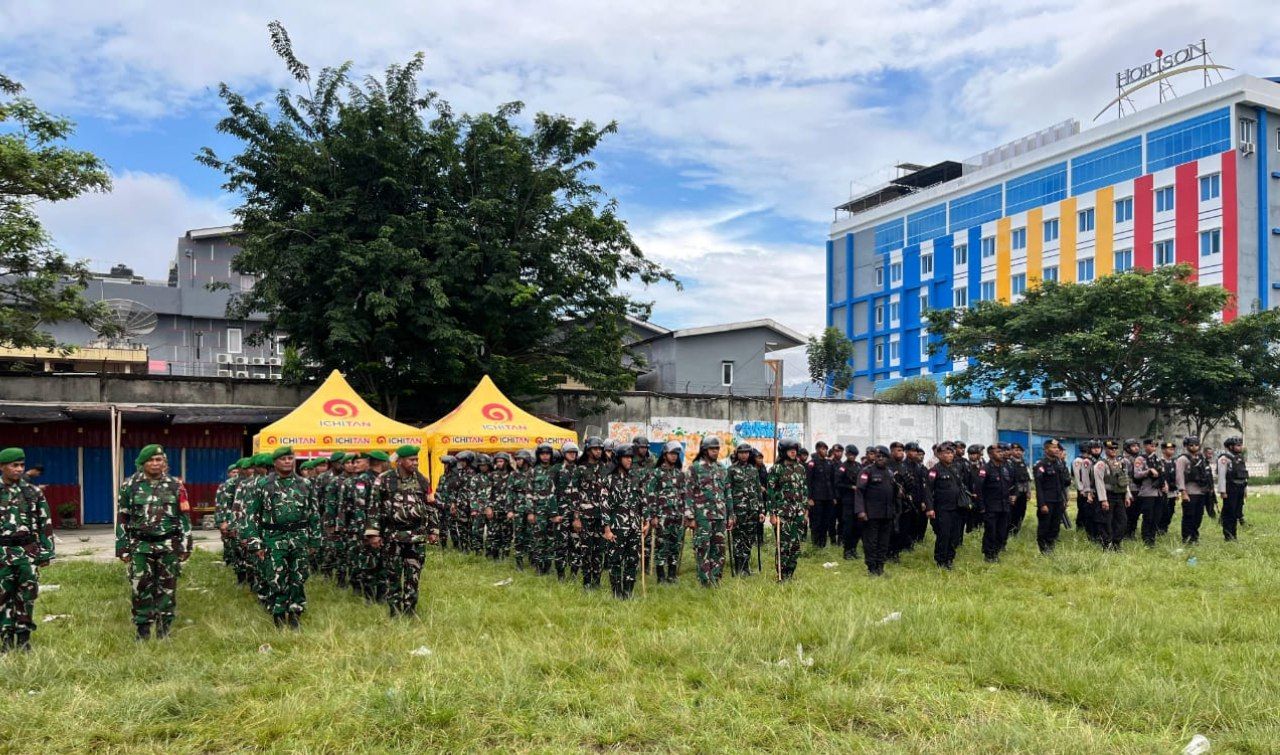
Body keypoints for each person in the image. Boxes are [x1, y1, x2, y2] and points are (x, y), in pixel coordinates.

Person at [115, 444, 192, 640]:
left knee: (167, 588)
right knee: (140, 588)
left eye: (159, 460)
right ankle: (142, 631)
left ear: (164, 462)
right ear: (143, 463)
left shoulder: (176, 485)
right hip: (140, 546)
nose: (156, 463)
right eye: (151, 460)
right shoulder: (129, 485)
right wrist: (122, 546)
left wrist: (186, 545)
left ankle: (164, 630)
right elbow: (123, 517)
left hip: (168, 545)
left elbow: (184, 517)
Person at [242, 446, 316, 629]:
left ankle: (295, 613)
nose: (287, 462)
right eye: (283, 459)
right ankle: (279, 614)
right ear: (275, 462)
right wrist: (255, 543)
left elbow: (313, 514)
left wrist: (315, 540)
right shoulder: (263, 485)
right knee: (276, 577)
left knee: (298, 577)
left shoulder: (305, 484)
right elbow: (252, 516)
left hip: (299, 538)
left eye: (290, 458)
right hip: (273, 538)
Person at [368, 445, 438, 618]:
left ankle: (410, 610)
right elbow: (374, 507)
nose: (415, 463)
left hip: (416, 537)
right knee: (393, 575)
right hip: (393, 536)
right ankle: (394, 609)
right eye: (411, 460)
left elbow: (430, 505)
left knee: (413, 575)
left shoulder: (422, 479)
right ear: (400, 461)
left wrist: (433, 530)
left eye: (416, 459)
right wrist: (374, 533)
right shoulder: (384, 479)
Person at [0, 448, 54, 652]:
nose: (19, 469)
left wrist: (46, 552)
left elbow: (45, 522)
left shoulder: (33, 492)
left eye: (21, 465)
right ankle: (6, 639)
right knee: (2, 596)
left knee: (27, 595)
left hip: (27, 552)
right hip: (2, 552)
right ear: (2, 467)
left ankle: (23, 638)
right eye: (14, 465)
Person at [685, 437, 734, 587]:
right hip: (702, 517)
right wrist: (690, 517)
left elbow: (727, 493)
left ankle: (716, 578)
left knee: (719, 549)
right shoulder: (695, 468)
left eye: (717, 449)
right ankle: (705, 581)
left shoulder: (722, 468)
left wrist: (730, 515)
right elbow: (688, 493)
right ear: (705, 450)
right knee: (703, 548)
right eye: (712, 449)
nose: (715, 451)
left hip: (720, 515)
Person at [602, 445, 649, 599]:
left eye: (631, 457)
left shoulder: (636, 479)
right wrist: (607, 529)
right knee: (615, 561)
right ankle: (617, 593)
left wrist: (646, 521)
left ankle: (628, 592)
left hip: (634, 527)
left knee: (632, 561)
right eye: (626, 457)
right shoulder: (609, 480)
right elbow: (604, 505)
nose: (629, 460)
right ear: (618, 459)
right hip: (617, 527)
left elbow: (643, 501)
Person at [766, 439, 808, 580]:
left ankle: (790, 573)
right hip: (782, 513)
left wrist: (805, 511)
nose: (793, 452)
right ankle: (782, 574)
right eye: (790, 450)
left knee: (796, 545)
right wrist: (772, 514)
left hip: (798, 512)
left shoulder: (801, 468)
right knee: (783, 545)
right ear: (783, 452)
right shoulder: (776, 469)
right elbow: (770, 493)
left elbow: (804, 490)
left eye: (795, 450)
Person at [647, 442, 688, 584]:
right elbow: (651, 495)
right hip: (662, 516)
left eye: (676, 454)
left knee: (675, 545)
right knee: (661, 545)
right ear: (665, 455)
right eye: (671, 454)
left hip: (677, 516)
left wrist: (685, 514)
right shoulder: (656, 473)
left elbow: (684, 495)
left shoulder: (680, 474)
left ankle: (672, 575)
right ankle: (661, 576)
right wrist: (653, 516)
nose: (674, 456)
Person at [574, 438, 610, 590]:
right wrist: (576, 518)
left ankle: (597, 581)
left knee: (599, 550)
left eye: (600, 449)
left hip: (601, 517)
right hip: (585, 516)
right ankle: (587, 582)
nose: (598, 451)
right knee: (586, 550)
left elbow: (609, 493)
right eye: (595, 449)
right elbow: (574, 494)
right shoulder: (580, 469)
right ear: (588, 451)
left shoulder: (605, 468)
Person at [924, 442, 967, 569]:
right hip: (942, 509)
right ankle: (941, 561)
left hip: (956, 508)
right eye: (946, 453)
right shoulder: (934, 471)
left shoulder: (955, 469)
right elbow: (928, 490)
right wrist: (930, 508)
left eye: (951, 453)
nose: (949, 455)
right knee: (944, 535)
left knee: (954, 536)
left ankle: (950, 559)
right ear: (939, 455)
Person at [855, 447, 897, 576]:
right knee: (871, 542)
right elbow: (859, 492)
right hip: (871, 514)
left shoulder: (890, 473)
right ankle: (872, 568)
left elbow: (893, 493)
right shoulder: (867, 471)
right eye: (878, 456)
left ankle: (880, 567)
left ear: (888, 458)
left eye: (883, 456)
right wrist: (860, 511)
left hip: (887, 514)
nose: (880, 458)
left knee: (883, 543)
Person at [726, 443, 764, 576]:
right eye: (741, 453)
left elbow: (758, 491)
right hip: (738, 511)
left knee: (749, 538)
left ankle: (746, 567)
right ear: (737, 454)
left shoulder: (754, 470)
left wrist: (761, 510)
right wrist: (730, 513)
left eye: (746, 453)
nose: (744, 455)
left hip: (752, 510)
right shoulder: (731, 470)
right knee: (738, 539)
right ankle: (738, 568)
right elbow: (728, 492)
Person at [530, 443, 567, 577]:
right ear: (538, 455)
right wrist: (530, 512)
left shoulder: (556, 470)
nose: (545, 456)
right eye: (542, 454)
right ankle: (539, 566)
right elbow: (529, 492)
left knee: (551, 540)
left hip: (554, 511)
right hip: (538, 510)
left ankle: (548, 565)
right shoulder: (533, 471)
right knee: (539, 540)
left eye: (547, 454)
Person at [1092, 440, 1132, 551]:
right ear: (1105, 449)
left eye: (1115, 448)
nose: (1113, 450)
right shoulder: (1101, 464)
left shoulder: (1121, 463)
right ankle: (1106, 544)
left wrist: (1127, 495)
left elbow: (1124, 480)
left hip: (1119, 495)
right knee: (1106, 521)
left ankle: (1116, 543)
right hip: (1107, 495)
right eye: (1111, 448)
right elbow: (1099, 483)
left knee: (1122, 521)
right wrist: (1103, 500)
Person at [978, 443, 1015, 562]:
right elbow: (979, 489)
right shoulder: (985, 469)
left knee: (1002, 532)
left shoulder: (1005, 468)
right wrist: (982, 506)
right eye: (998, 452)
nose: (1001, 453)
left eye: (1002, 451)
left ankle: (996, 552)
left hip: (1004, 506)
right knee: (991, 531)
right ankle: (989, 555)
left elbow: (1012, 484)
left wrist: (1013, 495)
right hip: (991, 507)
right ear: (990, 455)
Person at [1032, 440, 1069, 554]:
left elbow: (1062, 484)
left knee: (1055, 526)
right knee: (1045, 525)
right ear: (1046, 450)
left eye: (1057, 447)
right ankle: (1043, 548)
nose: (1056, 449)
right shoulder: (1040, 465)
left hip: (1058, 500)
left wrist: (1064, 499)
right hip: (1047, 500)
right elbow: (1039, 487)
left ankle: (1050, 546)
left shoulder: (1059, 464)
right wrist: (1042, 504)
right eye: (1053, 447)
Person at [1175, 437, 1211, 544]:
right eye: (1191, 445)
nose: (1194, 447)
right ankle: (1187, 538)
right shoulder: (1183, 459)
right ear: (1186, 446)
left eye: (1196, 445)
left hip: (1201, 491)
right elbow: (1179, 476)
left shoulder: (1201, 458)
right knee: (1189, 516)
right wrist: (1183, 492)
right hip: (1189, 492)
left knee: (1198, 516)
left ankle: (1195, 537)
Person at [215, 459, 247, 576]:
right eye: (233, 472)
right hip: (231, 519)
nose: (235, 474)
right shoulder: (226, 485)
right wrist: (221, 521)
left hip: (243, 519)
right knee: (230, 544)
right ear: (228, 473)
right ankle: (232, 564)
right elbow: (221, 505)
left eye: (236, 472)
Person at [555, 443, 582, 578]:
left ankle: (574, 574)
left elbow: (584, 494)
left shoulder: (580, 471)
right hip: (561, 515)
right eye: (570, 452)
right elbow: (550, 493)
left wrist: (578, 516)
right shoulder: (556, 470)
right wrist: (554, 514)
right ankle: (561, 575)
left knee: (577, 545)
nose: (573, 454)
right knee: (561, 545)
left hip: (576, 515)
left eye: (574, 452)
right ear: (564, 454)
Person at [1132, 439, 1165, 547]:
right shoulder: (1140, 459)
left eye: (1155, 446)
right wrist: (1148, 471)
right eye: (1151, 446)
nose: (1154, 448)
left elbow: (1162, 473)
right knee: (1148, 517)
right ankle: (1146, 539)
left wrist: (1165, 484)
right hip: (1147, 492)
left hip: (1159, 492)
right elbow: (1136, 474)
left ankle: (1152, 538)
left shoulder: (1157, 459)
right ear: (1145, 446)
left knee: (1157, 517)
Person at [1217, 437, 1249, 541]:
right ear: (1231, 447)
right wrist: (1222, 491)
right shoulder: (1224, 459)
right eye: (1238, 445)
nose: (1241, 447)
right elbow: (1221, 476)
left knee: (1236, 513)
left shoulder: (1239, 458)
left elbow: (1243, 475)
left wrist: (1245, 490)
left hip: (1240, 488)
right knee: (1229, 513)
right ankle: (1228, 536)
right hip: (1230, 489)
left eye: (1241, 445)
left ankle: (1233, 535)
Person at [805, 441, 836, 549]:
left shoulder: (829, 463)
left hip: (828, 497)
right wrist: (809, 498)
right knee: (816, 522)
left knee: (825, 522)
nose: (825, 451)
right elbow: (808, 482)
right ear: (817, 450)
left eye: (826, 449)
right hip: (816, 498)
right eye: (823, 449)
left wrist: (833, 497)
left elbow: (832, 481)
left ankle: (822, 544)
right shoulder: (812, 463)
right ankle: (816, 544)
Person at [486, 452, 516, 560]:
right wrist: (488, 507)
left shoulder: (513, 475)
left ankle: (505, 556)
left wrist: (512, 509)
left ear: (506, 462)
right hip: (495, 509)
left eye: (501, 461)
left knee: (507, 533)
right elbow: (488, 492)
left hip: (508, 509)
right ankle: (495, 556)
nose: (499, 463)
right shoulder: (492, 475)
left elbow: (515, 492)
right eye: (497, 461)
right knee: (494, 532)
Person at [509, 449, 535, 570]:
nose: (518, 461)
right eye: (517, 459)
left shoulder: (534, 473)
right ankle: (519, 562)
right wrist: (510, 510)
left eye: (520, 459)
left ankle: (533, 560)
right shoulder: (513, 475)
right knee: (519, 535)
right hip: (518, 509)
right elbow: (509, 493)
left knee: (532, 535)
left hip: (532, 509)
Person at [836, 445, 863, 561]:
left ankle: (853, 549)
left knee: (858, 527)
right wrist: (850, 487)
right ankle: (847, 551)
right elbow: (837, 483)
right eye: (850, 454)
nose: (852, 456)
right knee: (848, 526)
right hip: (847, 500)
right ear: (846, 454)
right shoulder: (843, 467)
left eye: (854, 455)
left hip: (858, 501)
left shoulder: (859, 466)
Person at [1072, 441, 1101, 542]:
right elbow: (1077, 476)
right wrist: (1081, 489)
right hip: (1083, 490)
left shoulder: (1094, 460)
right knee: (1083, 510)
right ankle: (1080, 527)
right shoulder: (1079, 460)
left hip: (1092, 489)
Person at [1007, 443, 1031, 537]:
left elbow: (1028, 479)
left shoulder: (1024, 463)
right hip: (1013, 493)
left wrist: (1028, 491)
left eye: (1020, 451)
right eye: (1016, 450)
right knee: (1013, 513)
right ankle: (1010, 532)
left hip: (1023, 492)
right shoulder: (1009, 463)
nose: (1018, 452)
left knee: (1022, 511)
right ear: (1011, 451)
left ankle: (1016, 531)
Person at [1157, 442, 1178, 536]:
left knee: (1170, 510)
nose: (1172, 451)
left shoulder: (1174, 462)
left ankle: (1164, 528)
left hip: (1172, 491)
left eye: (1173, 449)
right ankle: (1159, 528)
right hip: (1162, 491)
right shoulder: (1159, 462)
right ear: (1163, 450)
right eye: (1170, 449)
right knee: (1162, 511)